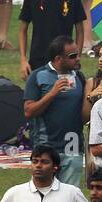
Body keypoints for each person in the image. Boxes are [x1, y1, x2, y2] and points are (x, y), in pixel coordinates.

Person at [23, 36, 87, 187]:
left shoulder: (79, 77)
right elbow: (28, 111)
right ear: (58, 58)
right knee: (44, 192)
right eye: (73, 56)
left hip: (73, 144)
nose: (78, 59)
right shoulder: (38, 76)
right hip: (46, 145)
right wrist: (52, 93)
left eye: (78, 54)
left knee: (71, 194)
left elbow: (83, 113)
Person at [19, 0, 89, 74]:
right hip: (38, 59)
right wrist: (23, 60)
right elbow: (23, 30)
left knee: (65, 91)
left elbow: (79, 31)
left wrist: (76, 58)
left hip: (65, 60)